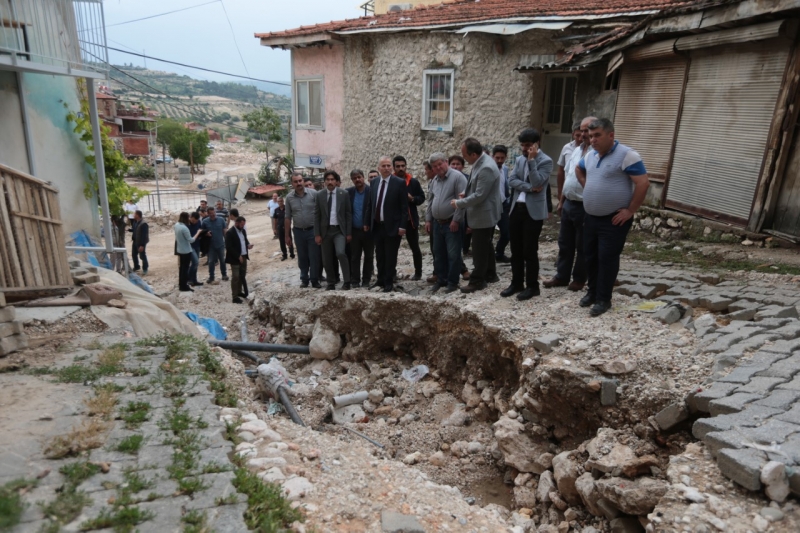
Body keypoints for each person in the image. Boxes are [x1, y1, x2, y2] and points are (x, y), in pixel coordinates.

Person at [576, 118, 649, 316]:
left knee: (606, 258)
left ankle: (603, 299)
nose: (593, 140)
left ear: (611, 135)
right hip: (591, 217)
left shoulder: (627, 155)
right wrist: (589, 186)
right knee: (589, 256)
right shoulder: (591, 155)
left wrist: (630, 210)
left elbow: (643, 183)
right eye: (590, 136)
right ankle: (592, 293)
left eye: (597, 135)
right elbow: (578, 169)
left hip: (613, 220)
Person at [544, 116, 597, 292]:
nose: (583, 134)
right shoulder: (575, 150)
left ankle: (579, 279)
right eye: (581, 130)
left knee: (582, 244)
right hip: (569, 204)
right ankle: (561, 276)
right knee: (564, 243)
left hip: (585, 205)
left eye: (586, 130)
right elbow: (567, 176)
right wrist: (561, 201)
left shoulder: (597, 153)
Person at [502, 128, 553, 301]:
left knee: (529, 250)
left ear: (536, 144)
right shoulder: (519, 160)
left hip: (533, 212)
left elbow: (539, 181)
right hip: (516, 208)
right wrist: (529, 188)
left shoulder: (546, 161)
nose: (524, 149)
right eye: (522, 145)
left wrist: (532, 161)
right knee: (515, 249)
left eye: (528, 145)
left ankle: (533, 286)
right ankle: (516, 283)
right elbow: (512, 180)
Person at [453, 138, 502, 293]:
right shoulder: (481, 161)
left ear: (473, 154)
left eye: (464, 155)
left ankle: (477, 281)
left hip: (484, 214)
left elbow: (480, 195)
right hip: (483, 212)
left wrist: (459, 203)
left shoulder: (486, 167)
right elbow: (476, 185)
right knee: (486, 245)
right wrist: (466, 193)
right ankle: (490, 274)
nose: (464, 158)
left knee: (479, 249)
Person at [426, 153, 467, 294]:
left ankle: (453, 282)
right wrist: (428, 219)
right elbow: (430, 201)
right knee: (438, 253)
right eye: (434, 166)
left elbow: (462, 201)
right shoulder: (434, 181)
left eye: (440, 164)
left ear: (446, 162)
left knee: (453, 254)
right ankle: (441, 280)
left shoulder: (458, 177)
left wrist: (456, 220)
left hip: (452, 222)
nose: (438, 168)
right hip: (437, 223)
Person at [369, 156, 407, 292]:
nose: (386, 168)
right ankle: (380, 280)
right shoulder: (374, 183)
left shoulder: (399, 183)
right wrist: (368, 222)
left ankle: (389, 281)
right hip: (377, 225)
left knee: (391, 255)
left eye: (388, 166)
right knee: (379, 254)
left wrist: (402, 226)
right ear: (379, 168)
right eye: (383, 166)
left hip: (393, 226)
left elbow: (404, 207)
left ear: (391, 167)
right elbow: (371, 204)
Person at [314, 170, 352, 290]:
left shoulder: (343, 194)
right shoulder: (319, 195)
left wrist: (348, 232)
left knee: (341, 253)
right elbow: (317, 215)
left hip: (339, 231)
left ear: (336, 181)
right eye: (328, 180)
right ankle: (331, 282)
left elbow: (348, 214)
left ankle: (347, 281)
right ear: (324, 182)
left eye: (332, 180)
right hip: (325, 232)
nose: (330, 182)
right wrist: (317, 234)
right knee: (326, 259)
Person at [285, 171, 321, 288]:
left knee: (314, 256)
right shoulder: (289, 198)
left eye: (300, 181)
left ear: (303, 181)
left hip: (313, 231)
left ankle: (314, 279)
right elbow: (287, 217)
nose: (299, 183)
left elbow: (320, 213)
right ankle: (304, 279)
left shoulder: (314, 194)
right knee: (302, 256)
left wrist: (319, 232)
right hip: (298, 231)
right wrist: (287, 235)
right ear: (292, 183)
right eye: (296, 182)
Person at [393, 155, 425, 280]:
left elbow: (421, 198)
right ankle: (392, 273)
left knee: (415, 248)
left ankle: (418, 273)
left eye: (403, 166)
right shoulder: (391, 182)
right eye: (398, 166)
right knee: (393, 249)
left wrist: (412, 199)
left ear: (406, 166)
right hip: (396, 222)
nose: (401, 168)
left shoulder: (413, 182)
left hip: (411, 221)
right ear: (394, 168)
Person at [347, 169, 373, 288]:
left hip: (368, 231)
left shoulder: (371, 191)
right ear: (352, 180)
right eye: (354, 178)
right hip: (354, 230)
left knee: (369, 256)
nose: (357, 180)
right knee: (355, 256)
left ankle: (366, 279)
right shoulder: (349, 193)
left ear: (363, 178)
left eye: (359, 177)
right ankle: (355, 280)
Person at [226, 216, 253, 303]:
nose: (242, 226)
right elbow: (229, 247)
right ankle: (234, 297)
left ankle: (239, 291)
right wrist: (238, 256)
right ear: (236, 223)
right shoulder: (230, 232)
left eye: (243, 225)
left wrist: (248, 245)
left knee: (242, 275)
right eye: (241, 225)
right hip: (235, 258)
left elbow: (245, 240)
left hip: (244, 256)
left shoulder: (243, 231)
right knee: (236, 276)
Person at [174, 212, 204, 292]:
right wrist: (198, 232)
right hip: (186, 250)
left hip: (181, 249)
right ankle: (185, 284)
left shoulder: (177, 225)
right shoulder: (184, 228)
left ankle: (183, 284)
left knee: (182, 269)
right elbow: (191, 240)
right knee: (185, 268)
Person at [492, 145, 512, 263]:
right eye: (497, 158)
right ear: (493, 157)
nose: (499, 160)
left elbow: (505, 186)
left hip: (503, 205)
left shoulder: (504, 169)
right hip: (491, 206)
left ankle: (499, 253)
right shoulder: (489, 169)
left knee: (506, 233)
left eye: (502, 158)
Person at [201, 207, 228, 284]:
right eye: (211, 213)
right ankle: (211, 277)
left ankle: (224, 275)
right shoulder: (205, 222)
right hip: (210, 246)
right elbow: (201, 232)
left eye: (214, 213)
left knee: (222, 260)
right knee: (211, 261)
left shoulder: (221, 220)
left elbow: (224, 231)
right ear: (208, 214)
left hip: (220, 244)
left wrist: (227, 241)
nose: (212, 215)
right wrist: (206, 234)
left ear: (215, 212)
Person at [130, 210, 149, 275]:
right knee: (134, 254)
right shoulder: (135, 222)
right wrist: (129, 230)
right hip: (135, 241)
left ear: (137, 215)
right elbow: (135, 230)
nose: (133, 215)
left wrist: (142, 245)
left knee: (142, 255)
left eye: (134, 214)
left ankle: (145, 268)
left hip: (140, 242)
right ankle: (136, 266)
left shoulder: (143, 224)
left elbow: (144, 235)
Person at [187, 212, 204, 287]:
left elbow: (200, 231)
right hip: (190, 246)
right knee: (195, 262)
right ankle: (189, 279)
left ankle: (194, 280)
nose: (193, 222)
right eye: (192, 220)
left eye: (195, 221)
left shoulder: (199, 222)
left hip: (197, 245)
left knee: (196, 264)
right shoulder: (186, 224)